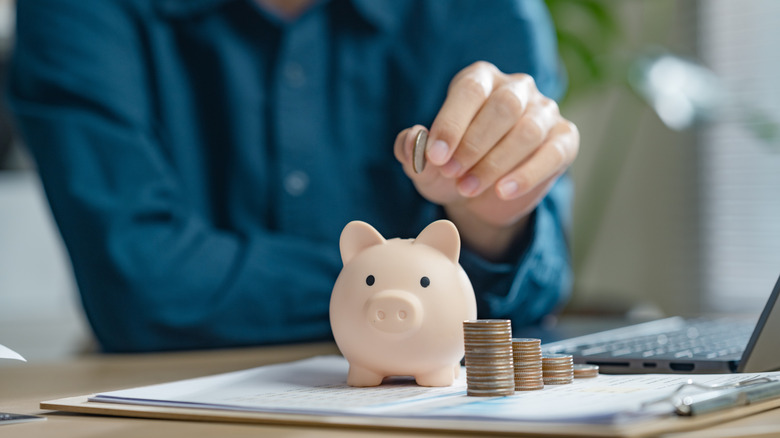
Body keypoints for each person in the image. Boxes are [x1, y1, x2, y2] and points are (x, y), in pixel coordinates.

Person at [8, 0, 579, 352]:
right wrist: (442, 286)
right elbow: (139, 288)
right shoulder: (77, 11)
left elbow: (535, 283)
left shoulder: (485, 9)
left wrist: (489, 226)